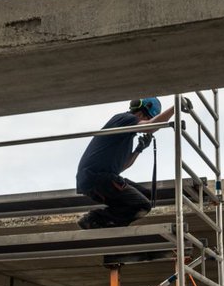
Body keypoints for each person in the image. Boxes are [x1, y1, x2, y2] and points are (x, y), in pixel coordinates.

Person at [75, 97, 176, 229]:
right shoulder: (125, 118)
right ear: (141, 113)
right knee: (142, 205)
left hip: (100, 178)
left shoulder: (125, 134)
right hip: (97, 177)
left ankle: (105, 220)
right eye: (148, 118)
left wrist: (138, 150)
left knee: (146, 196)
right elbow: (150, 127)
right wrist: (176, 108)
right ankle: (94, 219)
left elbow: (122, 167)